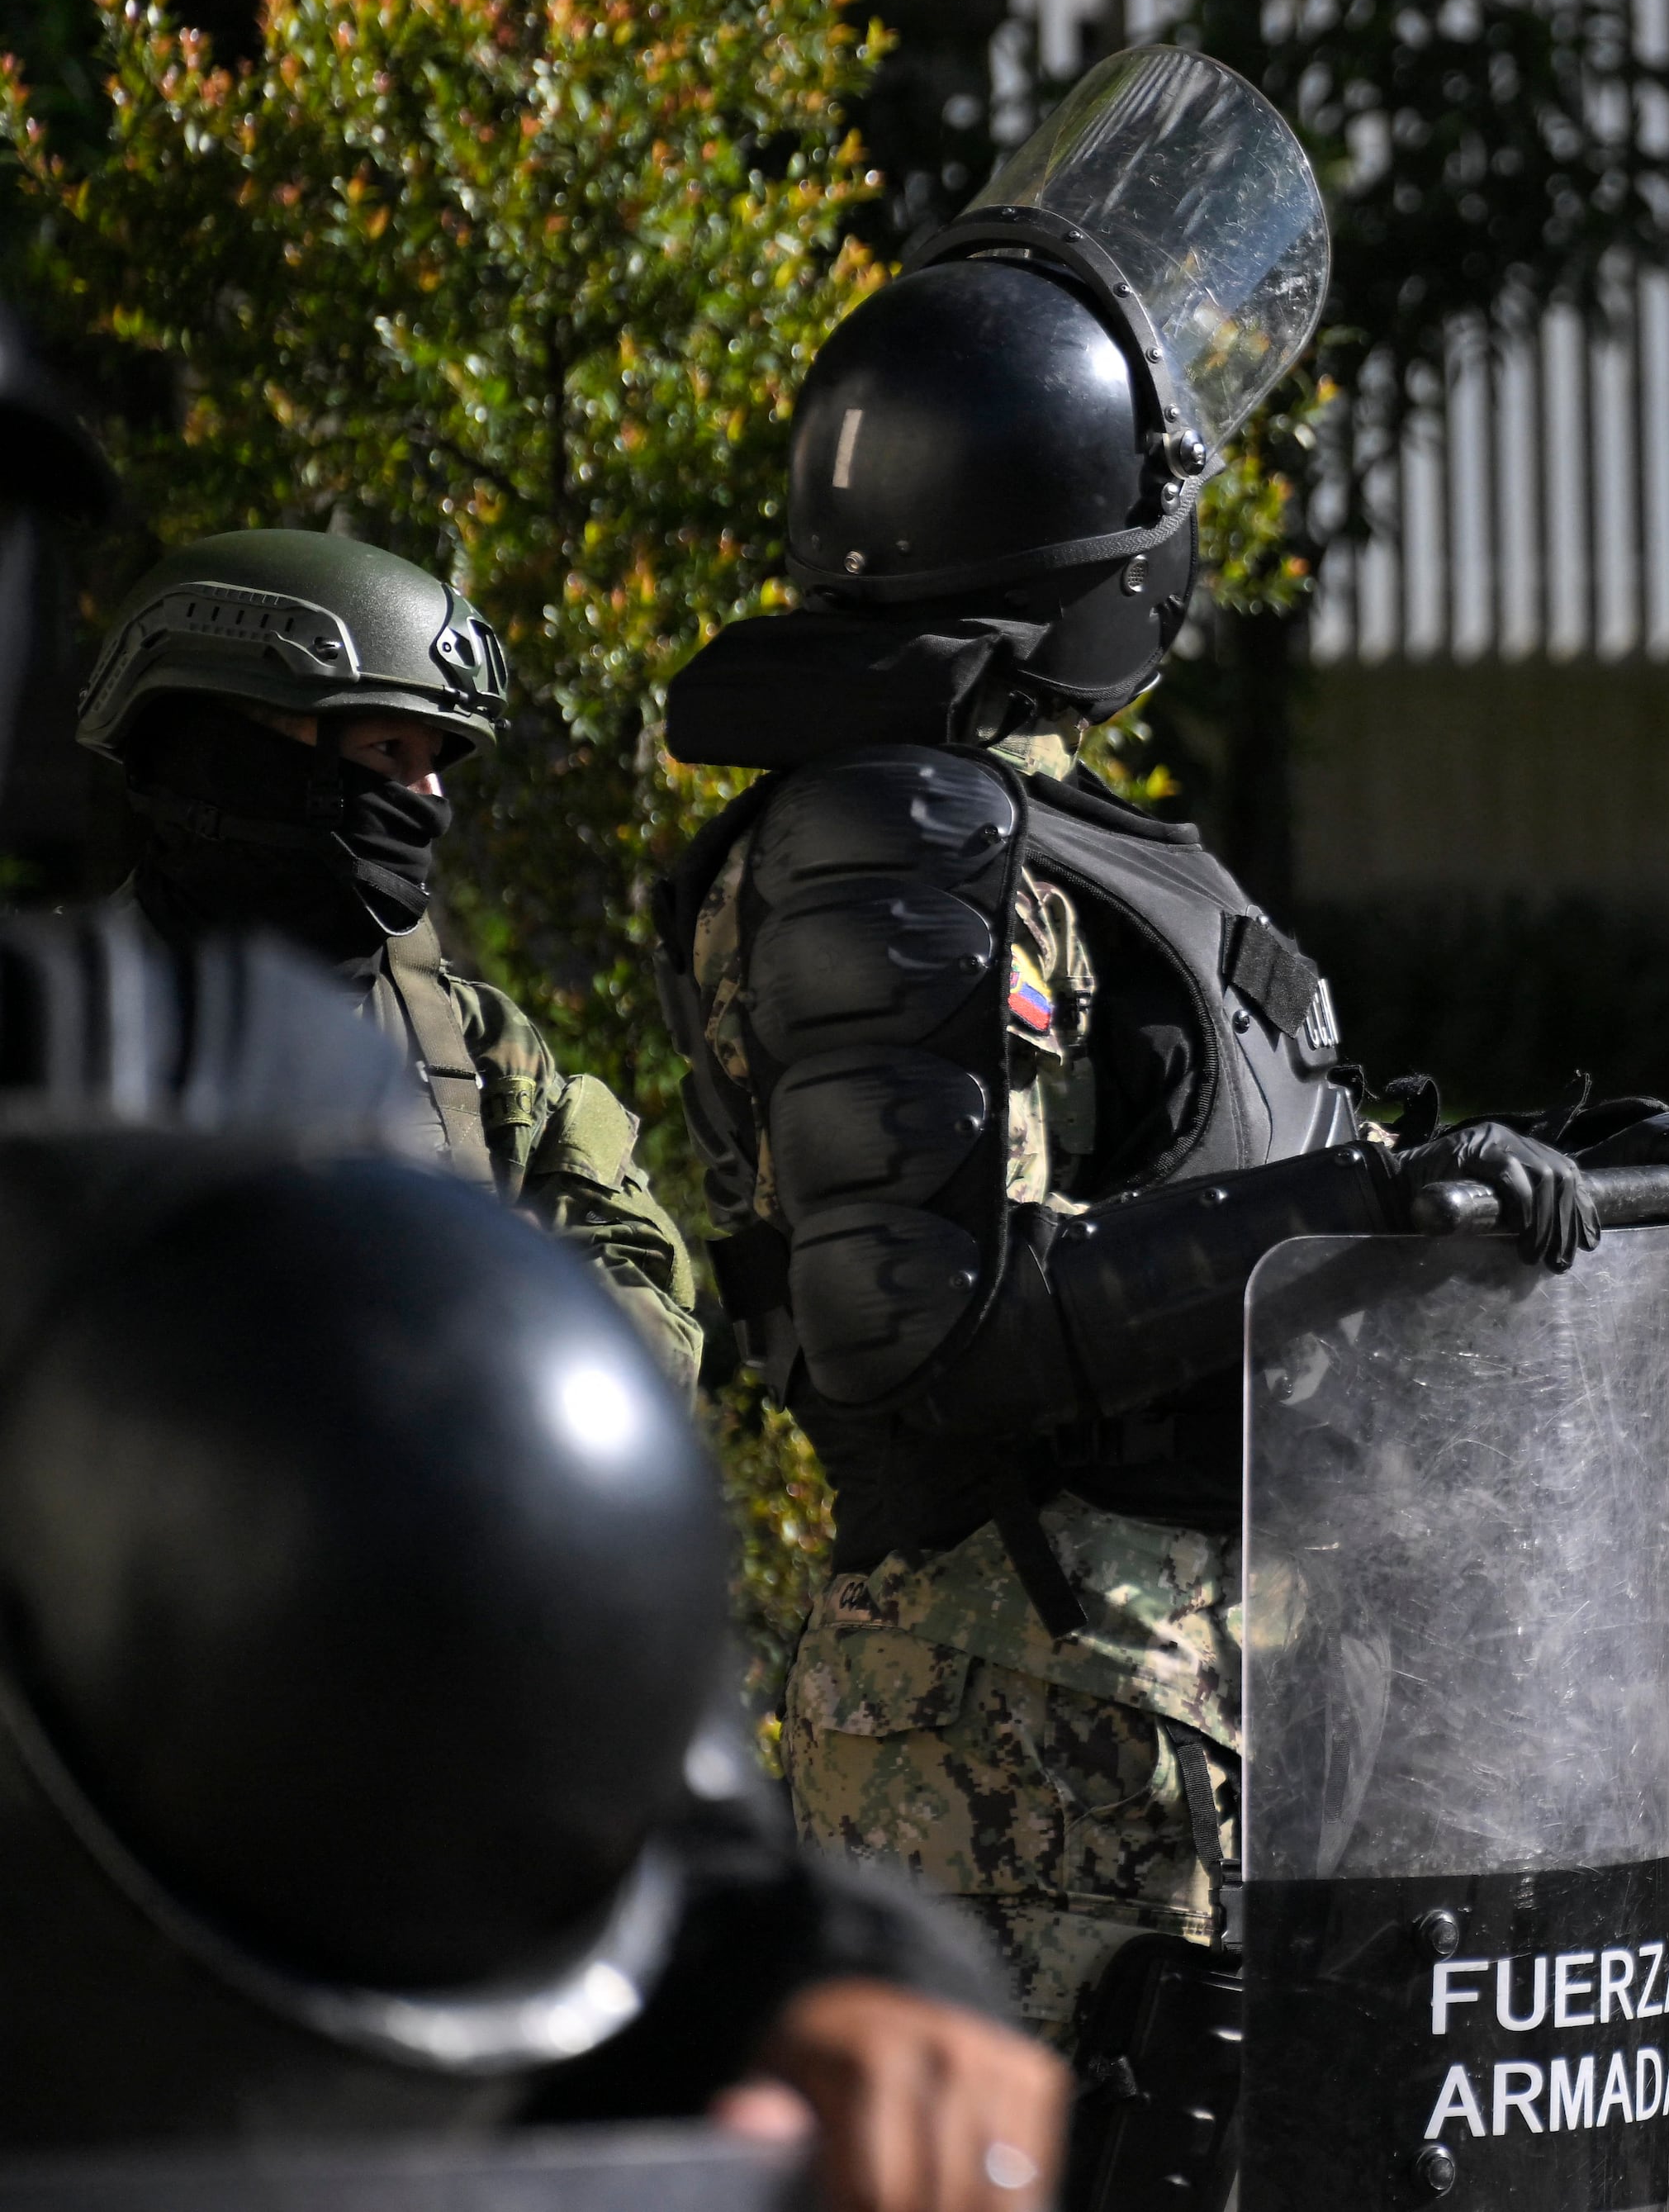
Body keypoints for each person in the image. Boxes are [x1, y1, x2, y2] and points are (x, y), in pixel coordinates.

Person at [649, 45, 1669, 2093]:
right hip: (1022, 1726)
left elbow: (1192, 1181)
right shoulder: (889, 836)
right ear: (1090, 539)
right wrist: (1337, 1212)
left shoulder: (1031, 826)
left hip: (1200, 1711)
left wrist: (1530, 1179)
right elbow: (922, 1328)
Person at [0, 310, 1064, 2211]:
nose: (408, 797)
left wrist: (832, 1977)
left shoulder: (420, 1049)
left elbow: (590, 1417)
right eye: (367, 750)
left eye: (429, 761)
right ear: (202, 730)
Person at [74, 529, 704, 1384]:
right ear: (237, 759)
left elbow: (654, 1331)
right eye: (388, 753)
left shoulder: (479, 1048)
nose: (430, 798)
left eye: (434, 761)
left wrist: (475, 1290)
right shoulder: (50, 1024)